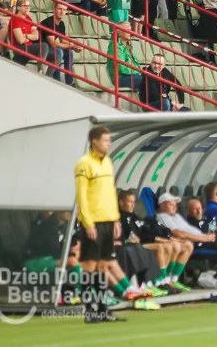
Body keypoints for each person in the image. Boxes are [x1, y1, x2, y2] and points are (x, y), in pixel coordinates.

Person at [74, 125, 125, 323]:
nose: (109, 143)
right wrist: (88, 223)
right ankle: (89, 310)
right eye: (106, 140)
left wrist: (116, 218)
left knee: (103, 265)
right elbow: (82, 196)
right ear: (94, 141)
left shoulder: (108, 162)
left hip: (108, 221)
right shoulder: (84, 164)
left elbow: (111, 192)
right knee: (90, 265)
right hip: (93, 221)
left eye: (109, 140)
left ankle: (103, 309)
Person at [39, 1, 80, 85]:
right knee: (59, 52)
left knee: (69, 52)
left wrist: (74, 46)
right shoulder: (47, 22)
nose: (62, 12)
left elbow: (63, 41)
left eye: (64, 10)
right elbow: (53, 43)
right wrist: (71, 46)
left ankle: (69, 82)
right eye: (60, 9)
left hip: (50, 48)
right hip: (42, 48)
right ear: (54, 9)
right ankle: (56, 81)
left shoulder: (61, 24)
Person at [106, 21, 143, 91]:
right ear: (119, 32)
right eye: (127, 30)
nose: (130, 32)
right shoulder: (115, 46)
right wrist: (138, 72)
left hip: (132, 76)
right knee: (146, 80)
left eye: (130, 30)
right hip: (120, 78)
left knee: (153, 79)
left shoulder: (129, 45)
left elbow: (135, 64)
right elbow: (122, 69)